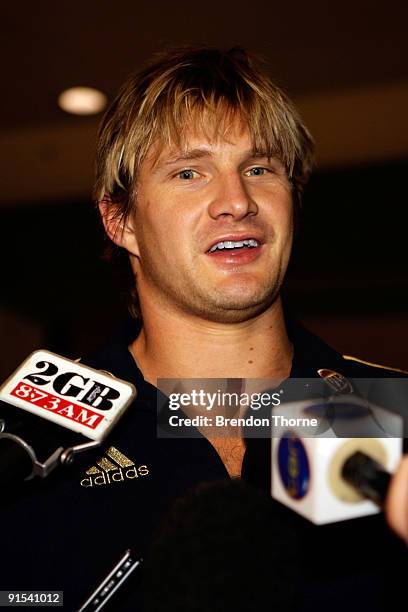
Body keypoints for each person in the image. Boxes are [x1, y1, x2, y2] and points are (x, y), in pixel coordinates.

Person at [1, 46, 407, 611]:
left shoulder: (394, 416)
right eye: (189, 172)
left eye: (259, 168)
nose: (237, 201)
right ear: (121, 222)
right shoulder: (21, 449)